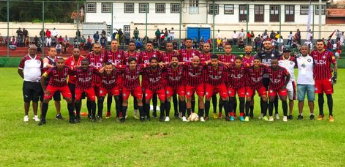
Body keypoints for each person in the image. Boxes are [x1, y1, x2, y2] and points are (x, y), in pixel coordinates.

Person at [39, 58, 76, 125]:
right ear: (56, 63)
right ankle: (43, 118)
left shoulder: (67, 68)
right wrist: (44, 89)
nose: (60, 64)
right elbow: (42, 78)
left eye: (62, 63)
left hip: (63, 86)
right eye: (58, 63)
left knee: (69, 99)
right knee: (45, 99)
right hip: (52, 85)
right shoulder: (51, 69)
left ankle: (72, 118)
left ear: (64, 63)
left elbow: (74, 73)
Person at [311, 39, 337, 122]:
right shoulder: (313, 53)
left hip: (327, 78)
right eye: (318, 44)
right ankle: (321, 113)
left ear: (324, 45)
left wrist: (335, 76)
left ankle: (331, 114)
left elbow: (335, 63)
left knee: (329, 96)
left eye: (321, 44)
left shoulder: (329, 53)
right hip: (317, 79)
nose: (319, 46)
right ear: (316, 45)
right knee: (320, 97)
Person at [255, 39, 281, 119]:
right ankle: (263, 112)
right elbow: (256, 63)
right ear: (263, 45)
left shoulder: (276, 53)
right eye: (265, 44)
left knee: (274, 95)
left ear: (271, 44)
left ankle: (276, 112)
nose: (267, 45)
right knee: (263, 95)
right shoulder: (259, 53)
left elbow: (279, 64)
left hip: (273, 77)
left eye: (268, 43)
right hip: (263, 77)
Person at [18, 45, 43, 122]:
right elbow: (19, 70)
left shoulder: (39, 59)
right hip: (27, 83)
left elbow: (42, 71)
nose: (33, 51)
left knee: (35, 100)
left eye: (34, 49)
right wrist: (25, 77)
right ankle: (26, 115)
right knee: (27, 100)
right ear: (28, 50)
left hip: (37, 83)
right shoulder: (24, 59)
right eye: (31, 49)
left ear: (36, 50)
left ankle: (35, 116)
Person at [204, 54, 232, 121]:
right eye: (212, 61)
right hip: (210, 84)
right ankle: (206, 115)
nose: (214, 62)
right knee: (207, 98)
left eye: (215, 61)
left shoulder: (222, 67)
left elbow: (230, 67)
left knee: (225, 97)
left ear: (218, 61)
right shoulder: (207, 66)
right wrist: (207, 61)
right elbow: (200, 64)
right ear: (210, 61)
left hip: (220, 84)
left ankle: (227, 115)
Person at [118, 58, 146, 122]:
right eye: (131, 63)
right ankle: (123, 116)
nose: (132, 65)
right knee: (124, 100)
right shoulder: (124, 68)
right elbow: (115, 66)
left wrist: (159, 63)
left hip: (136, 86)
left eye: (134, 63)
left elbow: (148, 64)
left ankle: (141, 116)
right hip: (126, 87)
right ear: (128, 64)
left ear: (136, 63)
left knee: (139, 100)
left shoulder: (139, 67)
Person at [140, 41, 161, 118]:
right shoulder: (141, 54)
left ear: (152, 46)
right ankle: (145, 112)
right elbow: (139, 64)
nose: (149, 47)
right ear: (146, 46)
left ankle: (154, 111)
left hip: (154, 78)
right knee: (145, 95)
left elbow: (161, 62)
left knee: (154, 94)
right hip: (145, 78)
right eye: (147, 45)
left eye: (150, 45)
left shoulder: (157, 53)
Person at [104, 40, 124, 119]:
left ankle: (119, 112)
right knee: (109, 94)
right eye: (113, 43)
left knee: (118, 95)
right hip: (109, 76)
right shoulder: (107, 53)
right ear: (111, 45)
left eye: (116, 43)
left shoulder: (122, 53)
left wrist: (119, 68)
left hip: (119, 76)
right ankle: (108, 111)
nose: (114, 45)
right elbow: (104, 63)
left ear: (118, 44)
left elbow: (125, 64)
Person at [86, 43, 106, 120]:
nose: (97, 49)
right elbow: (85, 65)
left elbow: (108, 64)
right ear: (93, 48)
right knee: (90, 98)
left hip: (101, 80)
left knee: (100, 98)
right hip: (91, 80)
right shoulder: (89, 55)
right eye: (95, 47)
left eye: (98, 47)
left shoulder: (104, 55)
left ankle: (99, 115)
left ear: (101, 48)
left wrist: (103, 68)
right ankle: (90, 114)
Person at [183, 56, 206, 121]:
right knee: (188, 99)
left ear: (199, 61)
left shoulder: (202, 65)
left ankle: (201, 116)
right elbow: (179, 63)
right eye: (194, 61)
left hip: (199, 84)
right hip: (190, 84)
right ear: (191, 61)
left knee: (201, 98)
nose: (195, 62)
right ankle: (189, 115)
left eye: (197, 61)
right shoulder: (187, 64)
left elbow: (209, 62)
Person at [161, 42, 180, 118]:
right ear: (165, 47)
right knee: (167, 96)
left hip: (175, 77)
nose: (169, 47)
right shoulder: (162, 54)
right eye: (168, 46)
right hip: (165, 78)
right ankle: (166, 113)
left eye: (171, 46)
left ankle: (176, 112)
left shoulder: (176, 54)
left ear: (173, 46)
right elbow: (159, 62)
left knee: (175, 96)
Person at [42, 47, 63, 120]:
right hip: (47, 81)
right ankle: (42, 114)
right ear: (48, 52)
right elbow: (45, 65)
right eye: (52, 51)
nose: (53, 52)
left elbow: (64, 62)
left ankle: (58, 114)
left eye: (54, 51)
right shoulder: (46, 58)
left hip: (56, 81)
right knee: (44, 99)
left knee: (57, 99)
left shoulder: (58, 58)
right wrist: (55, 67)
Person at [296, 45, 315, 120]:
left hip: (310, 82)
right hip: (300, 82)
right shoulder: (297, 58)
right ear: (300, 50)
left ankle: (312, 114)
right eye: (302, 49)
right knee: (300, 99)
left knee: (311, 99)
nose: (304, 50)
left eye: (305, 49)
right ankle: (300, 114)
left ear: (308, 50)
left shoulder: (311, 58)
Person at [227, 57, 249, 121]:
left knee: (242, 100)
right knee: (231, 100)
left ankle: (241, 116)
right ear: (234, 62)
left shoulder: (244, 67)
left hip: (241, 86)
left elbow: (252, 64)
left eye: (239, 62)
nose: (238, 64)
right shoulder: (230, 67)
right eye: (237, 62)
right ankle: (231, 115)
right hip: (232, 86)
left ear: (241, 62)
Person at [218, 44, 236, 118]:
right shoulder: (220, 57)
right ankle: (220, 112)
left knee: (233, 97)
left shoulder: (234, 57)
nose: (227, 49)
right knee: (222, 97)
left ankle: (233, 112)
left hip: (232, 79)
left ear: (231, 49)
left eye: (229, 48)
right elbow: (217, 63)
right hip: (222, 79)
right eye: (226, 48)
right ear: (224, 49)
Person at [278, 48, 296, 120]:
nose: (286, 53)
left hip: (291, 81)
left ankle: (290, 113)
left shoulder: (293, 59)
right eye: (285, 52)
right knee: (282, 99)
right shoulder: (279, 59)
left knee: (291, 99)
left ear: (289, 52)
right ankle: (283, 113)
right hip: (281, 82)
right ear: (283, 53)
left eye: (288, 52)